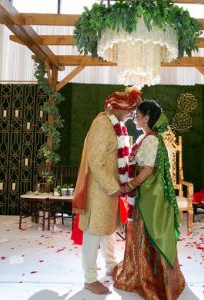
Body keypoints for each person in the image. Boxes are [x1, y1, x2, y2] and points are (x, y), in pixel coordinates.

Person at [72, 87, 141, 295]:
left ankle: (111, 266)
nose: (132, 114)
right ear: (120, 106)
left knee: (109, 229)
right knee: (94, 232)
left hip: (109, 189)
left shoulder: (117, 126)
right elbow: (96, 162)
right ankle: (89, 278)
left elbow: (114, 157)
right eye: (130, 109)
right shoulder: (103, 124)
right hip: (100, 190)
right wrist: (114, 187)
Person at [114, 100, 185, 300]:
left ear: (146, 117)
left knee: (147, 234)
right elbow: (136, 162)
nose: (135, 116)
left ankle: (153, 280)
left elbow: (146, 170)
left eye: (138, 114)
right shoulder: (145, 137)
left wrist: (128, 186)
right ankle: (144, 273)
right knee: (143, 235)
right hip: (146, 194)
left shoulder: (152, 140)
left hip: (150, 197)